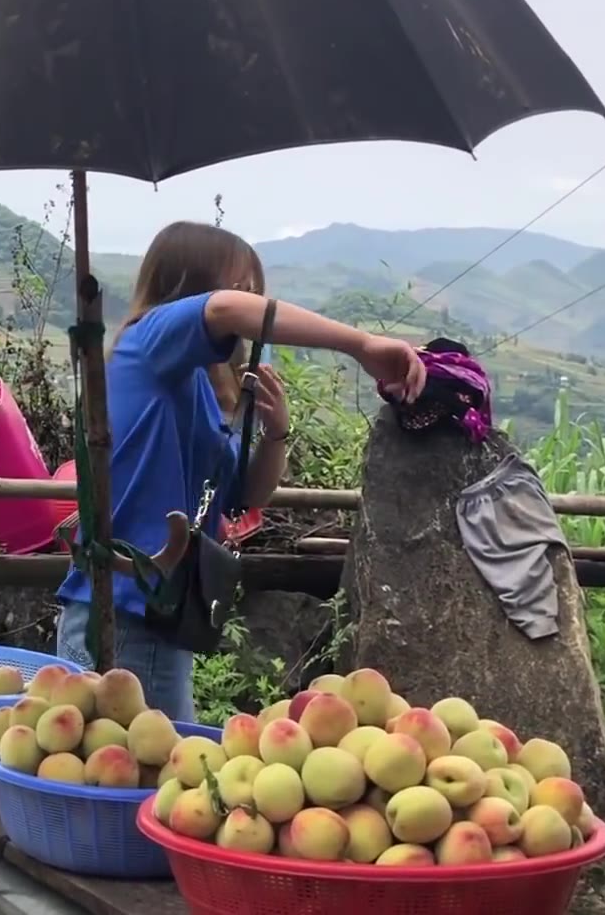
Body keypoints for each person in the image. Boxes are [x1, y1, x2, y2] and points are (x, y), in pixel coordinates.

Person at [53, 221, 426, 722]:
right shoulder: (150, 339)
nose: (251, 305)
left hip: (161, 613)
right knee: (143, 785)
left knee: (149, 783)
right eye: (240, 286)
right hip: (124, 610)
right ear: (189, 284)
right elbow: (226, 310)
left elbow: (244, 493)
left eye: (255, 291)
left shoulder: (197, 389)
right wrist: (361, 345)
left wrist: (275, 433)